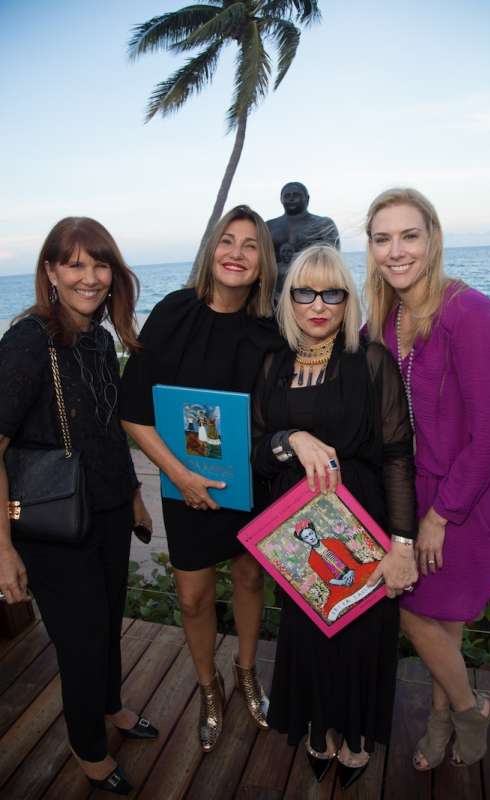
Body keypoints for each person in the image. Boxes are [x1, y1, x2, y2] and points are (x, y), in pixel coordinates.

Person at [0, 217, 157, 796]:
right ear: (50, 271)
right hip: (53, 522)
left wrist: (135, 498)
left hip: (109, 510)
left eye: (100, 264)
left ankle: (111, 705)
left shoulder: (96, 337)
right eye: (74, 264)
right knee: (81, 639)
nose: (89, 277)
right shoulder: (27, 342)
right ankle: (88, 745)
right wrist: (2, 549)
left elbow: (106, 430)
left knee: (107, 620)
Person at [251, 244, 418, 789]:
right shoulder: (273, 365)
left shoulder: (370, 361)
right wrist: (291, 438)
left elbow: (397, 455)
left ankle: (356, 734)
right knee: (309, 634)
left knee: (361, 633)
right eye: (305, 292)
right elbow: (256, 449)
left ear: (348, 300)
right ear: (289, 300)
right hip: (295, 531)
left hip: (362, 523)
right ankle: (319, 725)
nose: (318, 305)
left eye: (332, 293)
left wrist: (402, 545)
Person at [364, 187, 490, 770]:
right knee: (435, 617)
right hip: (416, 486)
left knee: (417, 610)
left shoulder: (469, 312)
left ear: (432, 239)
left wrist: (439, 515)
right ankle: (455, 714)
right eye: (383, 239)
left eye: (409, 235)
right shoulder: (385, 317)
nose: (396, 250)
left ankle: (460, 712)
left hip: (469, 490)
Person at [120, 204, 280, 752]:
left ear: (263, 262)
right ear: (211, 250)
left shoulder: (270, 329)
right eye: (227, 241)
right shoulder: (174, 312)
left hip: (250, 486)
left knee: (251, 581)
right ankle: (209, 688)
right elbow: (134, 412)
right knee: (192, 598)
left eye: (250, 245)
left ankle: (246, 673)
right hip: (183, 483)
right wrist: (181, 476)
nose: (236, 253)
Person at [267, 182, 340, 299]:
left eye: (296, 195)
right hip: (274, 294)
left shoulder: (323, 224)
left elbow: (332, 259)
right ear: (281, 199)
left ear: (307, 198)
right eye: (287, 196)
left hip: (312, 291)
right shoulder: (268, 226)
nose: (291, 198)